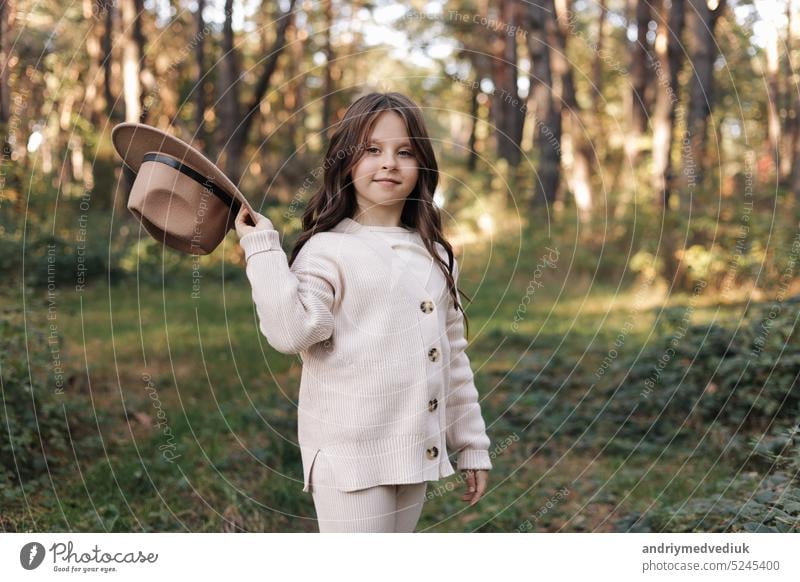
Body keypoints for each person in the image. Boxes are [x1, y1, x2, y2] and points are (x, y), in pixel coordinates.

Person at [235, 91, 492, 533]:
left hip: (414, 450)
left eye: (404, 151)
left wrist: (470, 444)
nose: (389, 162)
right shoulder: (328, 249)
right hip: (348, 456)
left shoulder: (437, 256)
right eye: (373, 150)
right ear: (346, 161)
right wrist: (261, 248)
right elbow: (291, 332)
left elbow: (452, 355)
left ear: (422, 165)